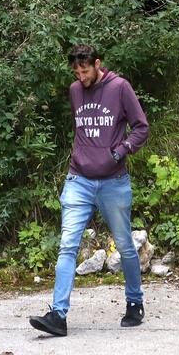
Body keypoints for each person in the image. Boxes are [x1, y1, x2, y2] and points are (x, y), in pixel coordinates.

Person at [28, 44, 150, 337]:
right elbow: (81, 131)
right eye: (76, 71)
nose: (80, 76)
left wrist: (119, 152)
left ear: (98, 64)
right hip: (78, 180)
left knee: (124, 245)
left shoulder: (120, 88)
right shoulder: (74, 91)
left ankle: (134, 302)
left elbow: (141, 128)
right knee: (67, 246)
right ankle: (58, 315)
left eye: (85, 70)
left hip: (113, 182)